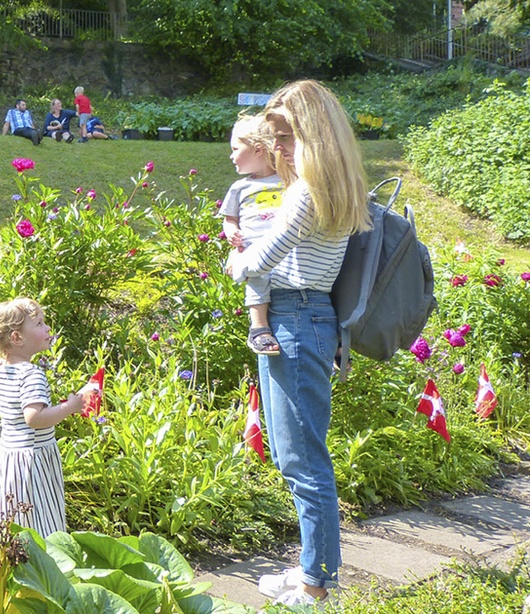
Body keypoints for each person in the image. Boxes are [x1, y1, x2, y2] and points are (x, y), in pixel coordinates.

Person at [228, 80, 370, 607]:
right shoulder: (333, 185)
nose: (277, 147)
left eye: (284, 136)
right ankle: (313, 567)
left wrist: (235, 258)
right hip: (306, 317)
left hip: (293, 319)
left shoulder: (308, 191)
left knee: (303, 460)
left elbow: (257, 262)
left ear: (312, 134)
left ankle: (316, 585)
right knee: (299, 456)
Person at [0, 298, 90, 537]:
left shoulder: (0, 367)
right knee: (40, 524)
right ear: (17, 338)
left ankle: (8, 568)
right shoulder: (31, 374)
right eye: (39, 324)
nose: (48, 328)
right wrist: (70, 407)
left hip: (7, 459)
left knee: (11, 523)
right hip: (32, 462)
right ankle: (44, 570)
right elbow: (34, 418)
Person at [221, 115, 283, 356]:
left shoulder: (287, 180)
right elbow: (230, 218)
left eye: (235, 149)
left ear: (258, 150)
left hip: (284, 247)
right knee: (257, 278)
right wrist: (232, 234)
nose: (231, 156)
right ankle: (258, 327)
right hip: (253, 249)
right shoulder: (240, 187)